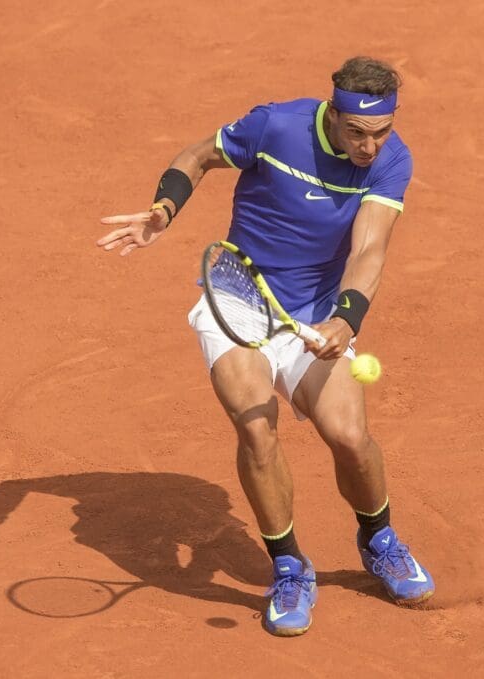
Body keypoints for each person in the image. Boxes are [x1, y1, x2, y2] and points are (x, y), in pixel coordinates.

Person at [96, 56, 433, 637]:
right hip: (238, 296)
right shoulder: (275, 128)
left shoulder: (392, 160)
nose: (370, 147)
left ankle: (378, 539)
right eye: (357, 132)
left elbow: (369, 250)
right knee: (256, 424)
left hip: (314, 311)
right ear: (332, 113)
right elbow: (197, 156)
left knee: (350, 437)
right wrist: (163, 210)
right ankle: (289, 566)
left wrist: (346, 320)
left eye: (381, 132)